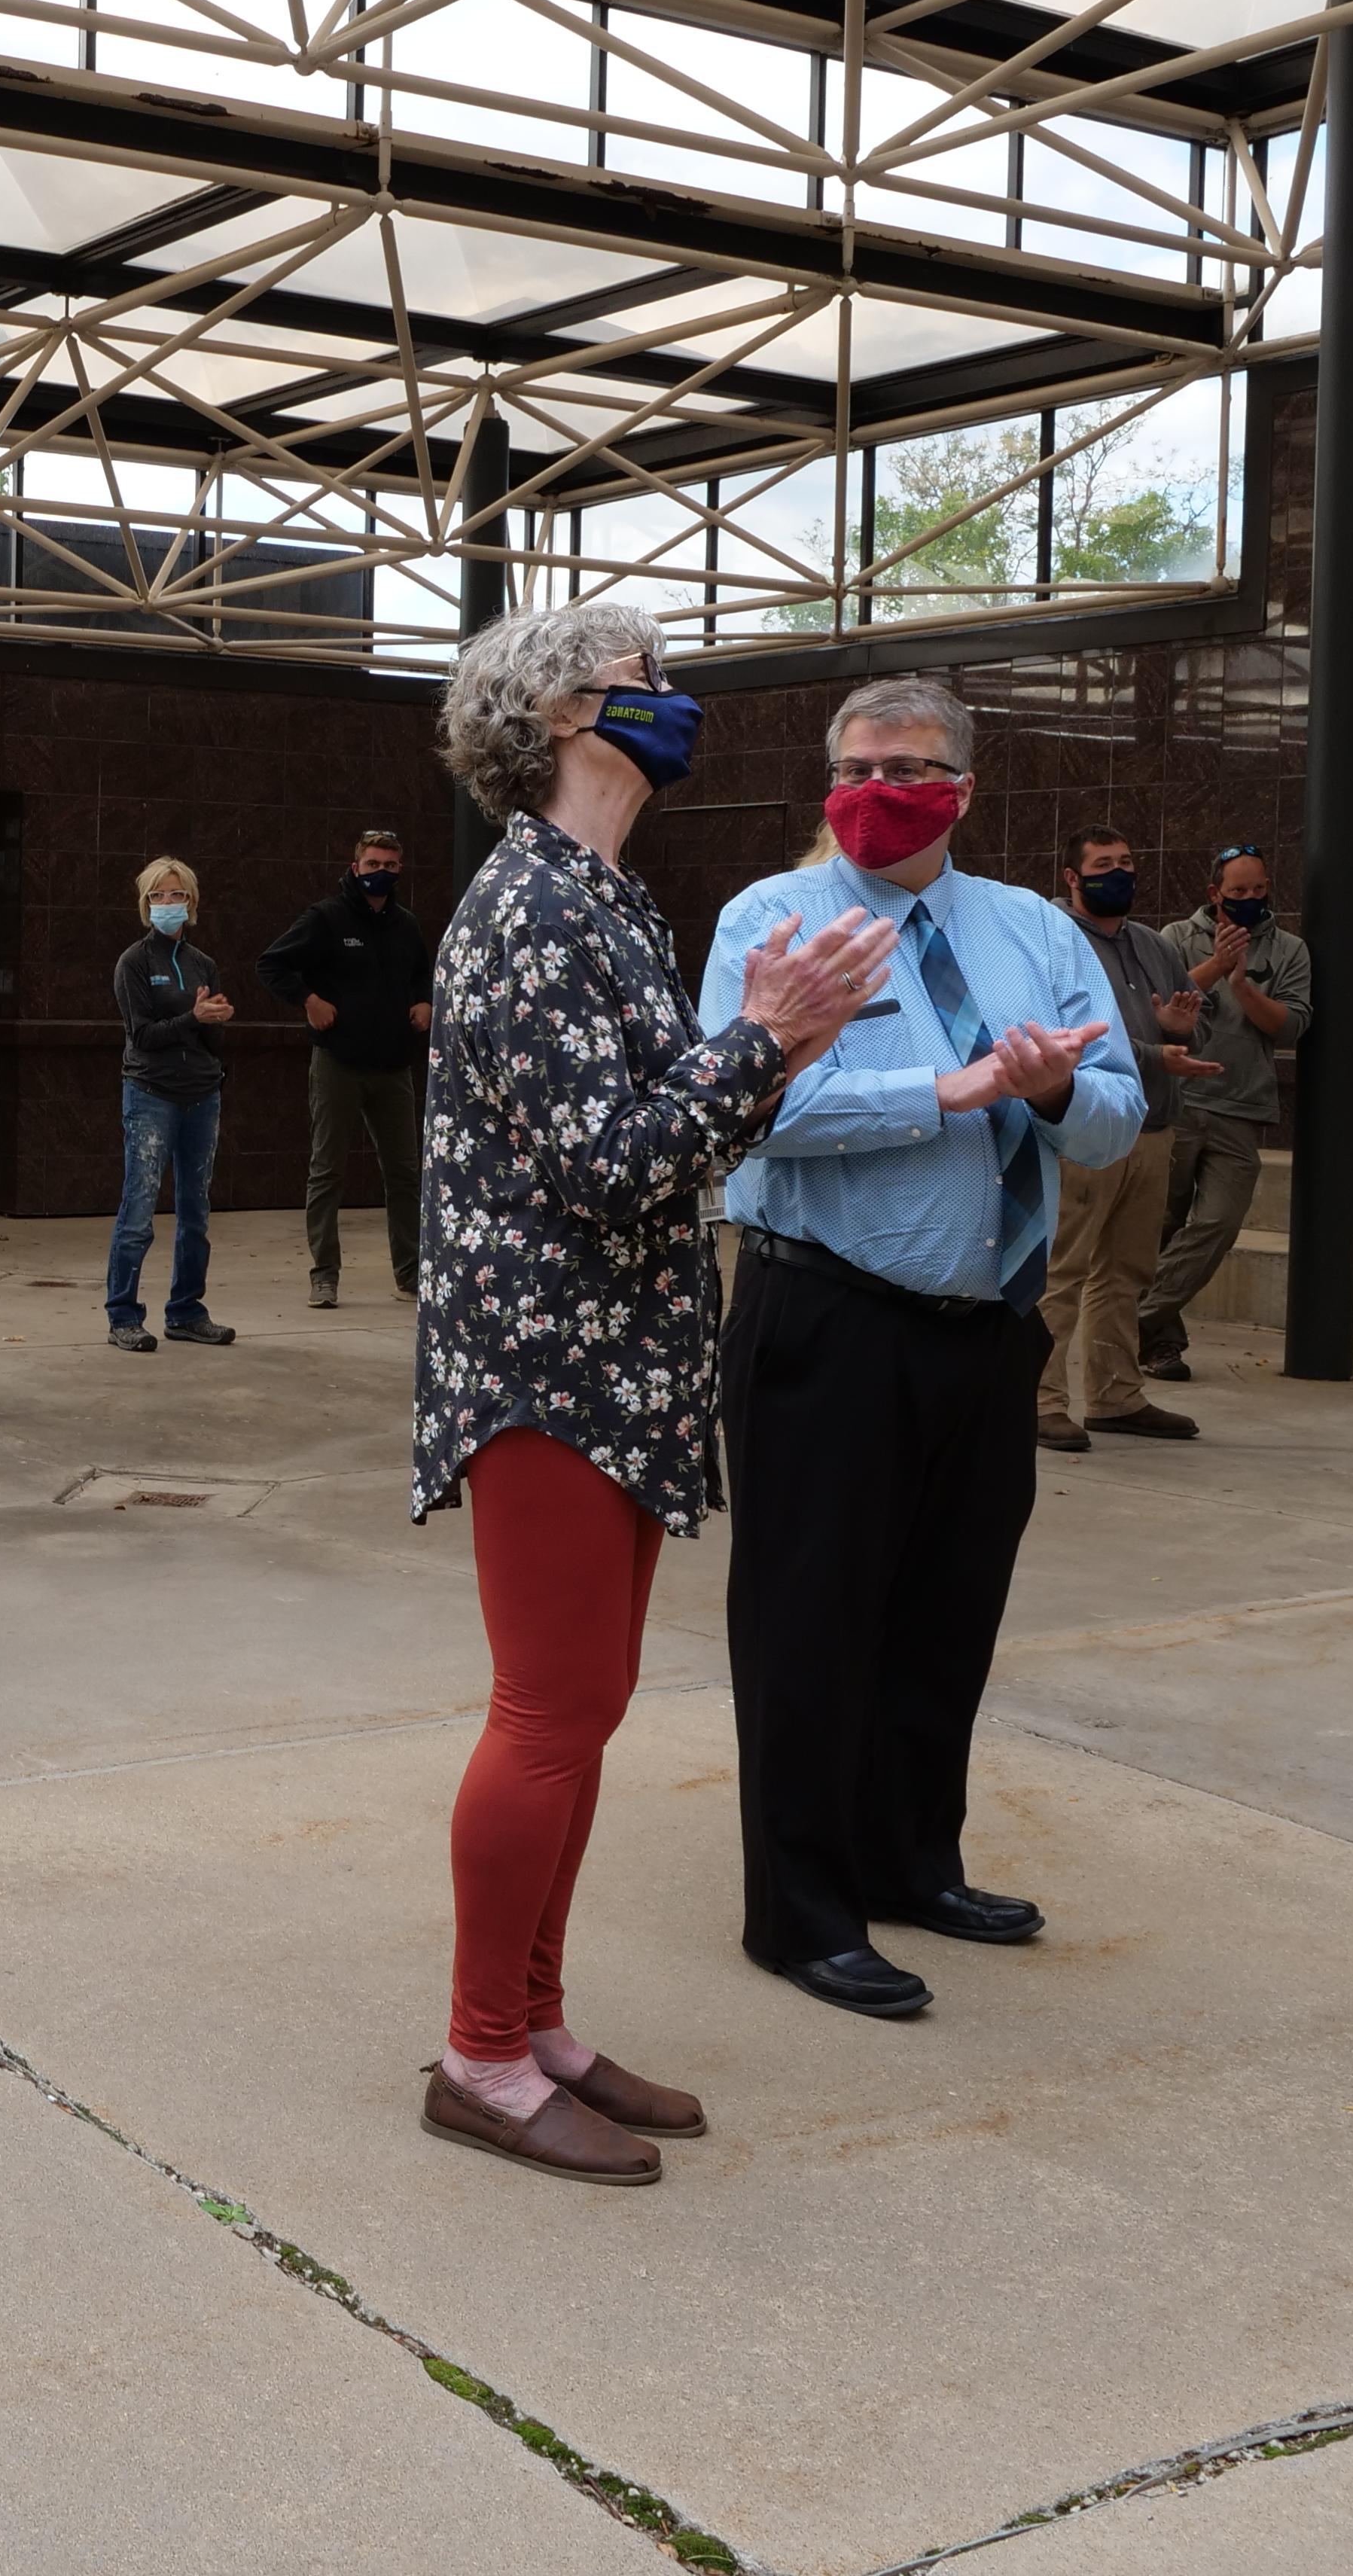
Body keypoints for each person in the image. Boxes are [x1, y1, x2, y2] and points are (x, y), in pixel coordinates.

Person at [411, 609, 888, 2184]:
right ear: (557, 710)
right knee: (550, 1715)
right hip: (548, 1359)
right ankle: (481, 2055)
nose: (674, 702)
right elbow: (617, 1164)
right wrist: (765, 1035)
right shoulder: (536, 909)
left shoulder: (599, 896)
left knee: (585, 1710)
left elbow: (668, 1133)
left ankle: (536, 2025)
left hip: (608, 1356)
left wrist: (774, 1043)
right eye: (647, 677)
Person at [698, 675, 1144, 2020]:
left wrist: (1055, 1086)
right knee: (808, 1618)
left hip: (985, 1322)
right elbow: (755, 1109)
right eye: (852, 760)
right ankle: (798, 1908)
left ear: (960, 783)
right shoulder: (769, 922)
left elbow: (1115, 1111)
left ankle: (908, 1858)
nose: (874, 782)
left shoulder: (1032, 930)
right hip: (826, 1311)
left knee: (945, 1609)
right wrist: (945, 1089)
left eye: (904, 761)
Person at [1035, 828, 1222, 1450]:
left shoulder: (1150, 943)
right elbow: (1058, 1037)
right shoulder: (1051, 941)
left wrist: (1176, 1029)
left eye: (1127, 863)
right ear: (1072, 877)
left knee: (1127, 1269)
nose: (1119, 874)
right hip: (1085, 1128)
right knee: (1062, 1270)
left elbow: (1183, 1024)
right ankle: (1039, 1400)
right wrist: (1153, 1049)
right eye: (1103, 866)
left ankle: (1116, 1396)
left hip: (1153, 1125)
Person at [1140, 845, 1310, 1381]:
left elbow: (1291, 1026)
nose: (1251, 900)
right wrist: (1217, 965)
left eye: (1259, 890)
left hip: (1240, 1105)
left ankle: (1134, 1316)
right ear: (1215, 894)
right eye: (1238, 892)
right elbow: (1156, 1008)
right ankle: (1159, 1342)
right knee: (1160, 1223)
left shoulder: (1289, 949)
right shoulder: (1172, 938)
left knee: (1218, 1221)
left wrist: (1241, 984)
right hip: (1177, 1099)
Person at [258, 827, 436, 1309]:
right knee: (327, 1172)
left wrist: (424, 1002)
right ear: (355, 867)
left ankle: (412, 1272)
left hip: (394, 1067)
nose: (382, 873)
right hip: (338, 1063)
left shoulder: (406, 924)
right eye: (373, 864)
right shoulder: (326, 918)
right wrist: (309, 1000)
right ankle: (325, 1274)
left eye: (391, 866)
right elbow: (271, 965)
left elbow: (423, 972)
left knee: (404, 1173)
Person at [110, 858, 237, 1354]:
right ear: (146, 904)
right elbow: (142, 1034)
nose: (169, 903)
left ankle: (186, 1312)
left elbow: (210, 1035)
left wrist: (214, 1023)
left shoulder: (203, 962)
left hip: (201, 1095)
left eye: (177, 895)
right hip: (151, 1095)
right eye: (159, 895)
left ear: (192, 902)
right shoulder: (134, 962)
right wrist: (194, 1017)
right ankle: (123, 1315)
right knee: (139, 1208)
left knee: (196, 1211)